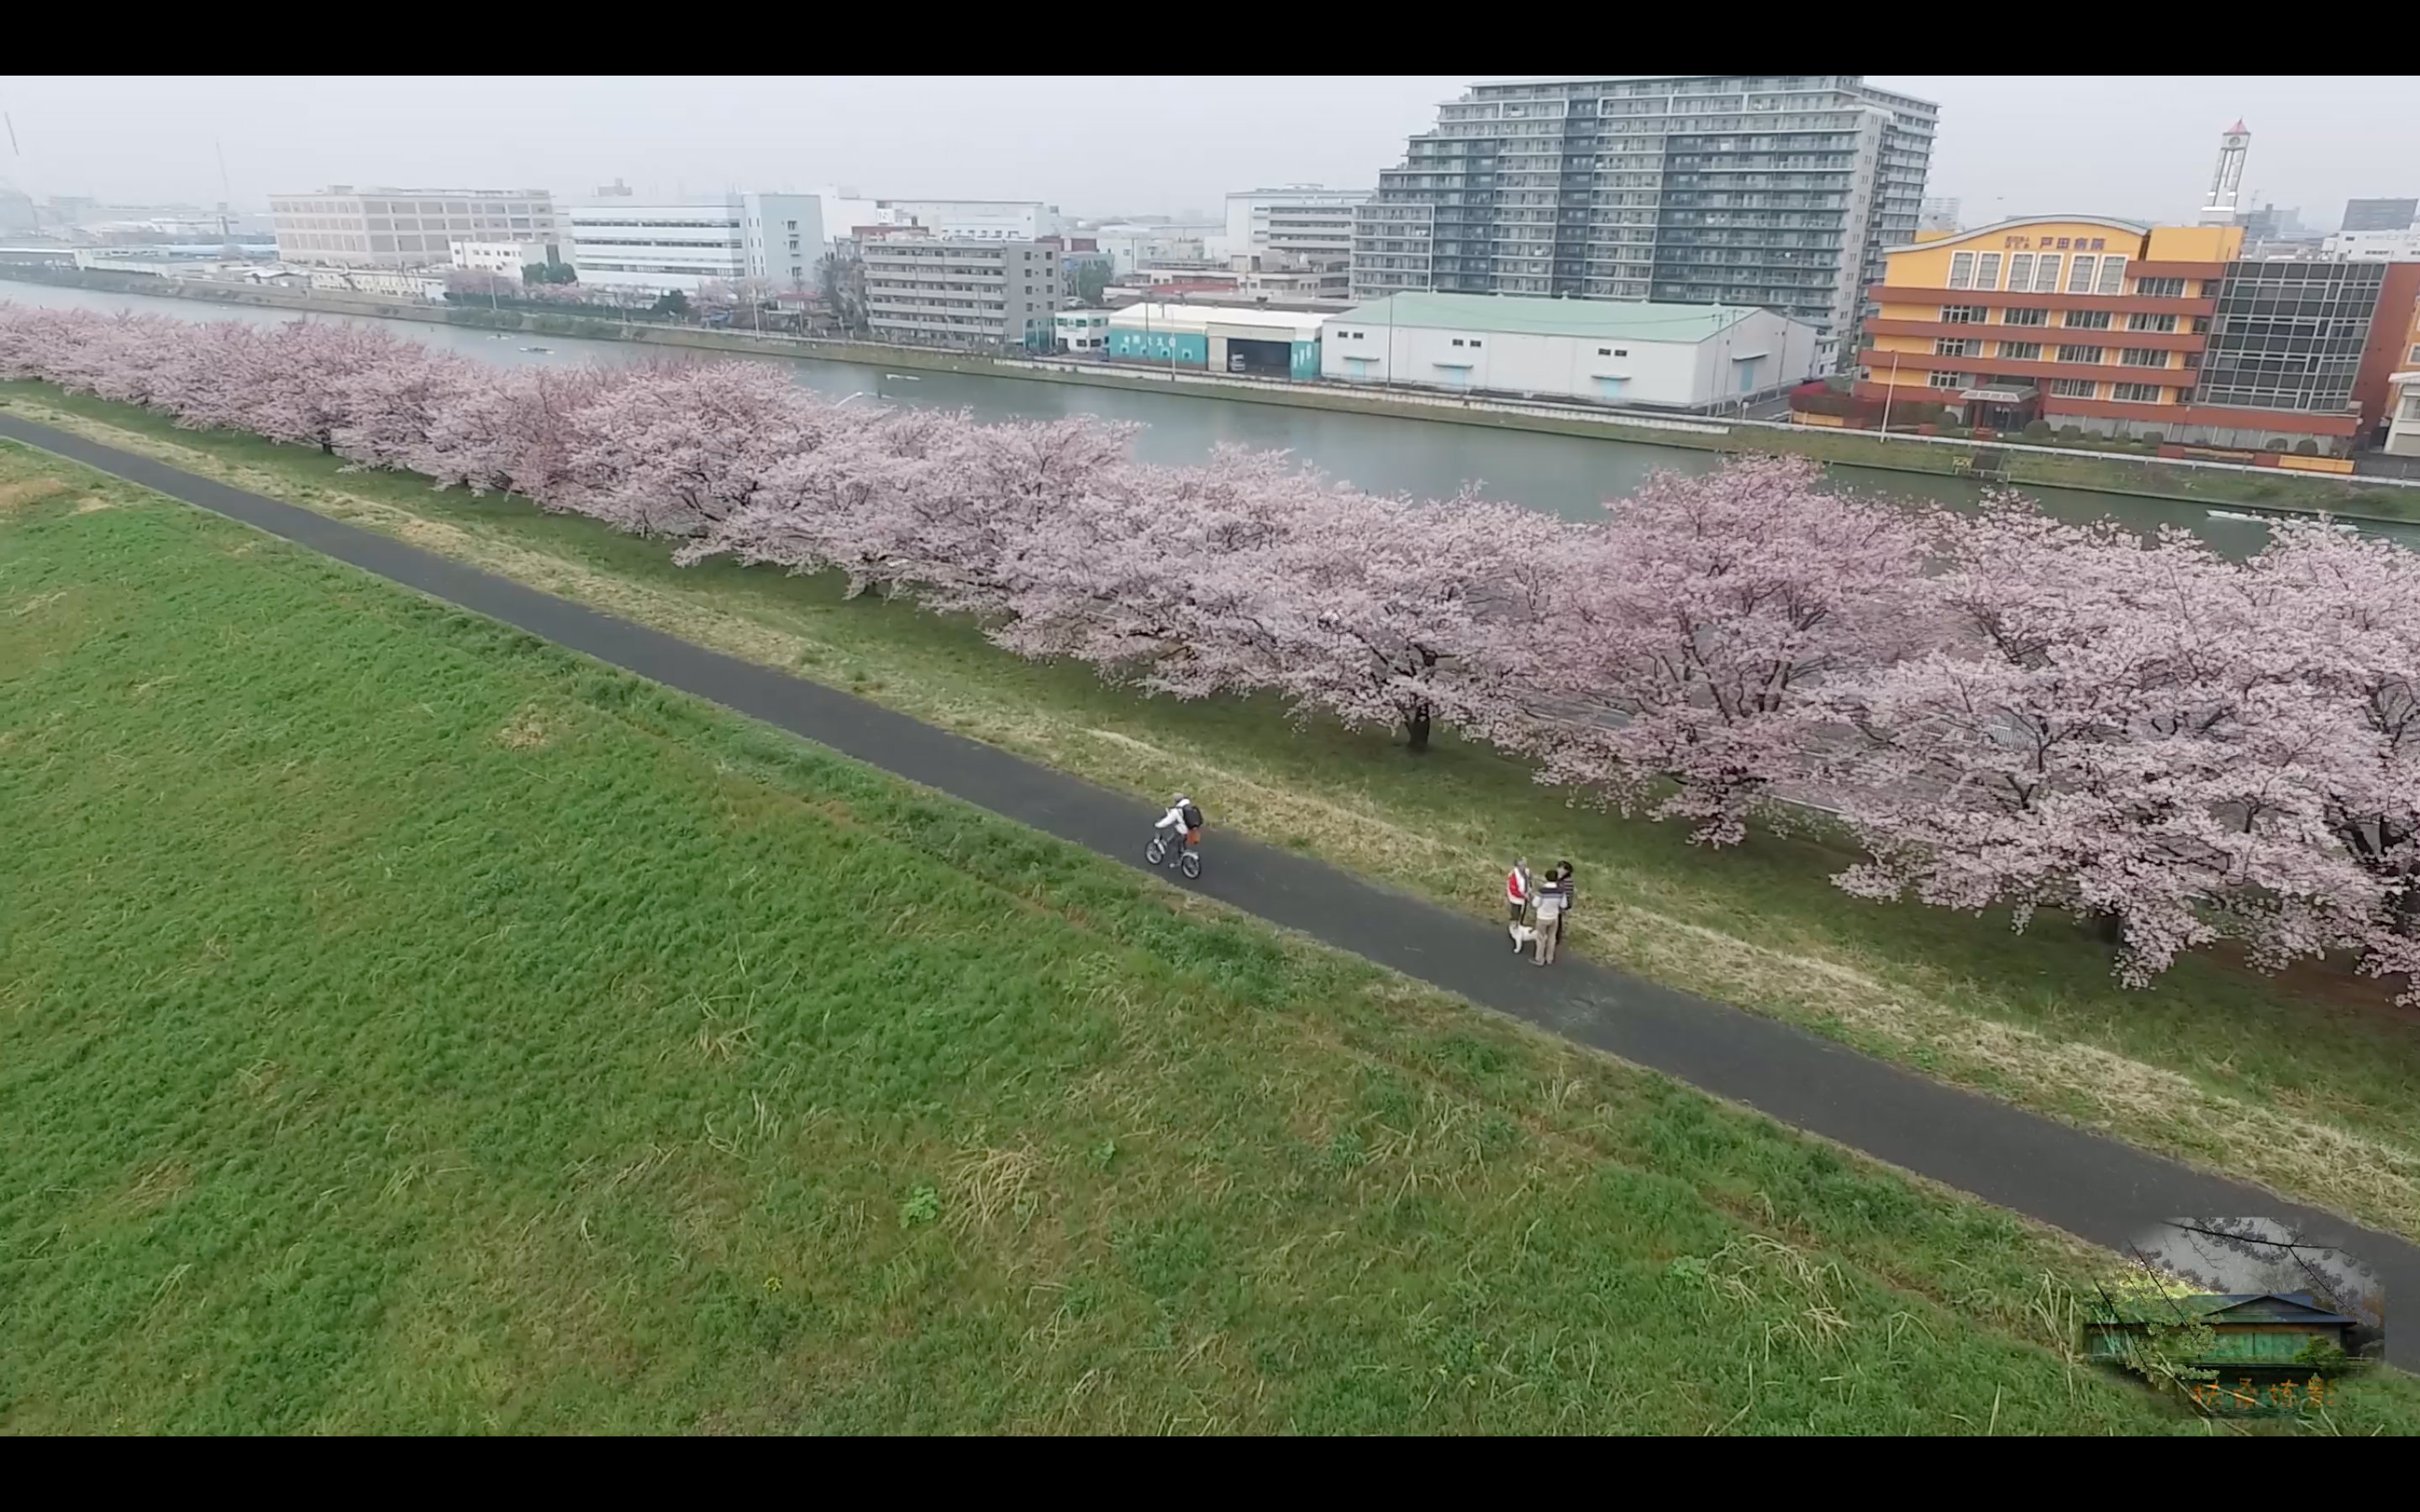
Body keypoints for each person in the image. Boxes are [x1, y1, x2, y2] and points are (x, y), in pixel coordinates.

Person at [1531, 866, 1565, 966]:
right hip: (1554, 917)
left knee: (1541, 938)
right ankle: (1549, 958)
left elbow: (1535, 904)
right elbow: (1563, 905)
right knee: (1552, 938)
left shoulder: (1542, 891)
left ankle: (1539, 959)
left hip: (1542, 917)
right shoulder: (1561, 891)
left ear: (1546, 878)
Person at [1155, 793, 1203, 859]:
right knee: (1179, 841)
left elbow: (1167, 821)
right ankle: (1181, 855)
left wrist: (1158, 825)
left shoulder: (1177, 811)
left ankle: (1176, 859)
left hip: (1183, 831)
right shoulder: (1189, 806)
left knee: (1173, 841)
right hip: (1191, 830)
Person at [1505, 858, 1534, 950]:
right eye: (1521, 865)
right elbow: (1513, 889)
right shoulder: (1513, 875)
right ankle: (1513, 932)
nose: (1523, 867)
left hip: (1524, 898)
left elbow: (1530, 882)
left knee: (1522, 914)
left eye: (1524, 865)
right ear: (1517, 866)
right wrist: (1523, 896)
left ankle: (1519, 929)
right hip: (1516, 899)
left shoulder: (1527, 872)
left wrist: (1529, 892)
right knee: (1515, 915)